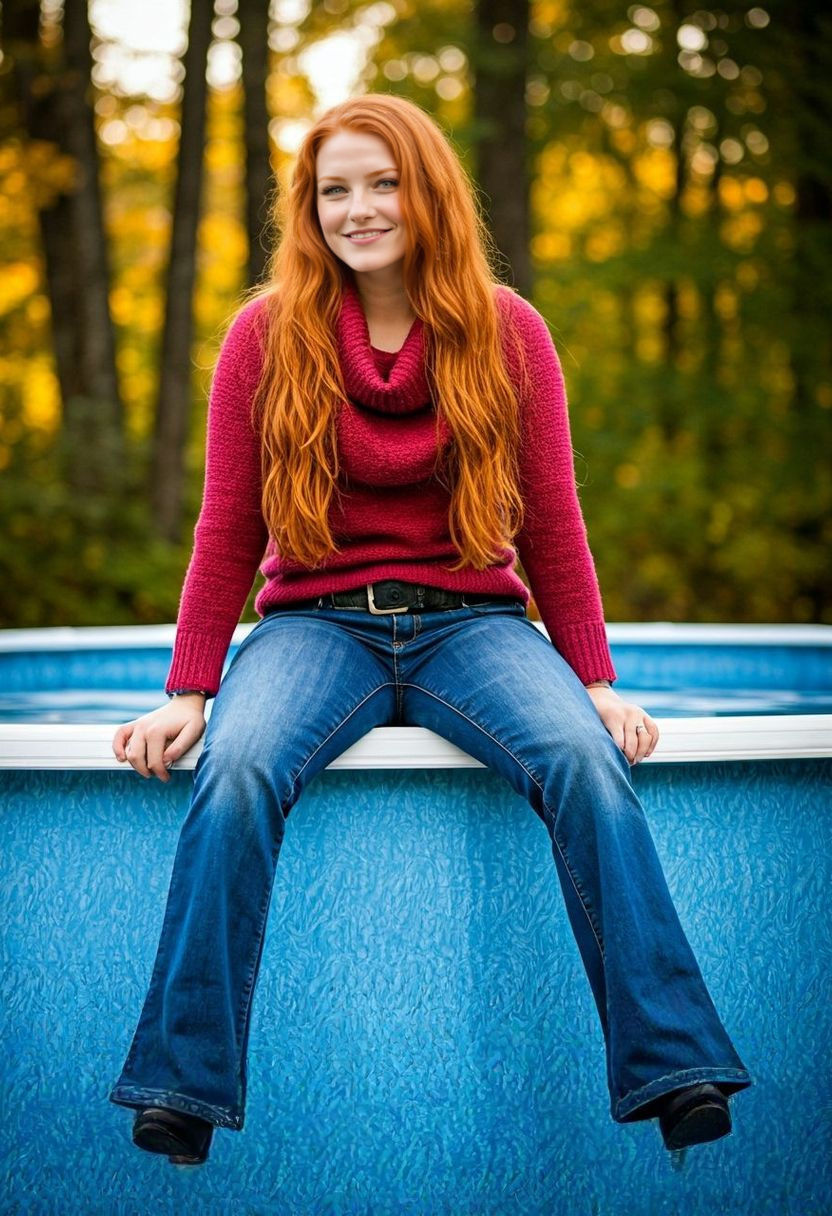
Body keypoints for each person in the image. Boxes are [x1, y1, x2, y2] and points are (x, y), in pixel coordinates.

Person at [107, 93, 752, 1166]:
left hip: (472, 624)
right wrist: (191, 686)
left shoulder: (508, 331)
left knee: (585, 766)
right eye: (333, 191)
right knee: (237, 770)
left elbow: (551, 518)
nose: (358, 209)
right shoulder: (266, 337)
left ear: (428, 191)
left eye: (382, 182)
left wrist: (592, 680)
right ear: (308, 212)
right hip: (316, 625)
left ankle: (673, 1064)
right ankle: (180, 1083)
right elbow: (228, 522)